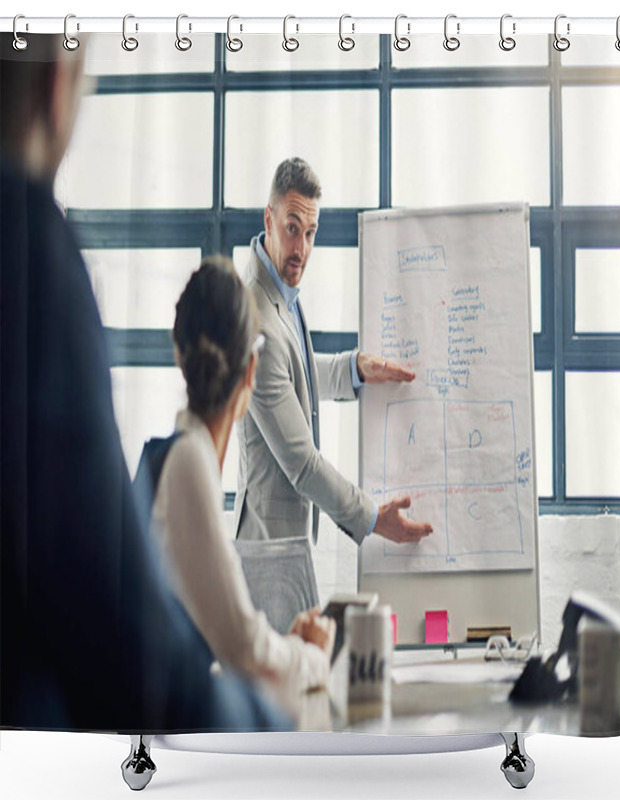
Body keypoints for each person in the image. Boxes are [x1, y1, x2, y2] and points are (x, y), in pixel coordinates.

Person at [0, 33, 287, 732]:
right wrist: (266, 722)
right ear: (55, 85)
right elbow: (133, 657)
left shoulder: (166, 451)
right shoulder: (26, 247)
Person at [146, 256, 334, 694]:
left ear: (179, 354)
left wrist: (285, 646)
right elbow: (243, 650)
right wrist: (312, 657)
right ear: (251, 372)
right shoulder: (190, 464)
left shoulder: (169, 456)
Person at [235, 157, 434, 546]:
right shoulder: (256, 319)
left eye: (311, 233)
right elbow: (304, 465)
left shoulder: (279, 289)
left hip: (282, 541)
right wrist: (374, 517)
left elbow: (293, 375)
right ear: (268, 220)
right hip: (268, 547)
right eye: (292, 229)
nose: (302, 249)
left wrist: (354, 369)